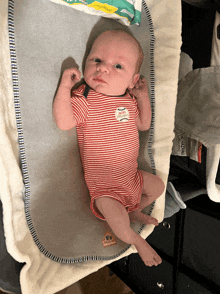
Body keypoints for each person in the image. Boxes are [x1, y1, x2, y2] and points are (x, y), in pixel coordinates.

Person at [53, 30, 165, 267]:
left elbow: (143, 124)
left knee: (158, 186)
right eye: (97, 60)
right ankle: (136, 240)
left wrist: (143, 97)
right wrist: (65, 87)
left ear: (133, 81)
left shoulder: (129, 100)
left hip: (131, 177)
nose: (103, 68)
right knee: (115, 215)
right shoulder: (85, 99)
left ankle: (134, 210)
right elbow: (64, 122)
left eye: (117, 66)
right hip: (105, 187)